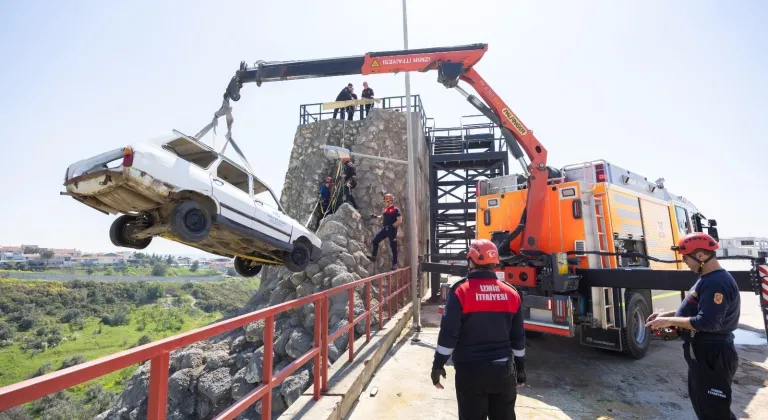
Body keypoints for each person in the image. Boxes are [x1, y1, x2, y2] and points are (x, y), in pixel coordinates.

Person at [646, 232, 740, 420]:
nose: (685, 262)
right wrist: (667, 315)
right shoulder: (707, 279)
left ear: (701, 255)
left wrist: (671, 322)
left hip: (713, 355)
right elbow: (698, 311)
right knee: (704, 408)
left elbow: (708, 322)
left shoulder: (716, 283)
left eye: (685, 258)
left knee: (715, 413)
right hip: (703, 352)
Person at [431, 239, 526, 419]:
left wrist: (438, 364)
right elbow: (518, 338)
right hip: (503, 372)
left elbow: (448, 334)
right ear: (494, 264)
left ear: (471, 262)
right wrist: (520, 368)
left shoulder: (460, 291)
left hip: (470, 373)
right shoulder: (511, 293)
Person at [367, 193, 401, 270]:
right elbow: (382, 216)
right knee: (375, 241)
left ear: (390, 201)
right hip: (385, 229)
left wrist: (392, 226)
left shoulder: (396, 209)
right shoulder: (386, 209)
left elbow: (399, 220)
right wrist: (375, 216)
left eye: (386, 200)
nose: (385, 202)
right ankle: (374, 256)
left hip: (392, 230)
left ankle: (394, 264)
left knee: (393, 247)